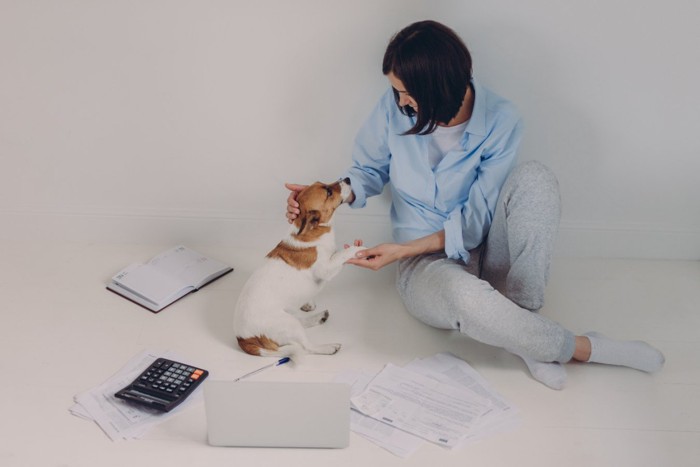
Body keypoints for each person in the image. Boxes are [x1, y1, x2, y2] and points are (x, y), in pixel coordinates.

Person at [285, 20, 664, 389]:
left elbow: (477, 220)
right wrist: (327, 197)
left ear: (437, 86)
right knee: (462, 296)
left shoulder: (502, 119)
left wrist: (403, 247)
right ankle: (584, 347)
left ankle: (524, 324)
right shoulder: (394, 108)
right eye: (396, 91)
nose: (400, 100)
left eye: (406, 92)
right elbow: (368, 169)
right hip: (425, 267)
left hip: (483, 247)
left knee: (536, 177)